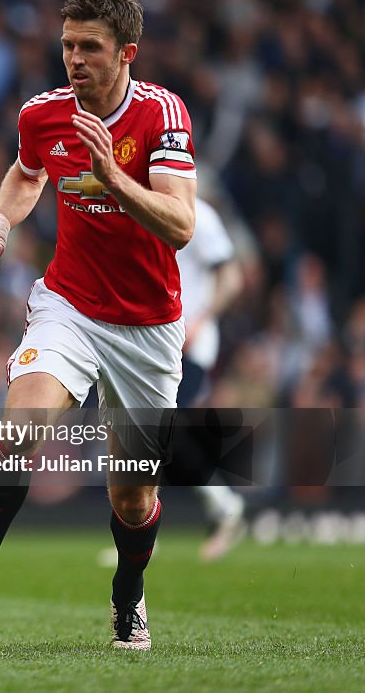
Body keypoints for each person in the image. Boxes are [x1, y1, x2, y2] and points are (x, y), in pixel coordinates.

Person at [0, 0, 196, 651]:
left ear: (126, 52)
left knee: (131, 496)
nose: (75, 60)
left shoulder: (162, 115)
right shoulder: (44, 113)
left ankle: (128, 598)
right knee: (19, 432)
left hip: (148, 326)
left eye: (91, 48)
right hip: (69, 303)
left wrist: (113, 174)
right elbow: (26, 172)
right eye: (68, 45)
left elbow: (181, 224)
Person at [172, 196, 245, 561]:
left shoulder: (200, 214)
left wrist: (201, 318)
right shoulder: (146, 205)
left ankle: (224, 505)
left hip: (189, 344)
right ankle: (223, 506)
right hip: (155, 341)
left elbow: (231, 278)